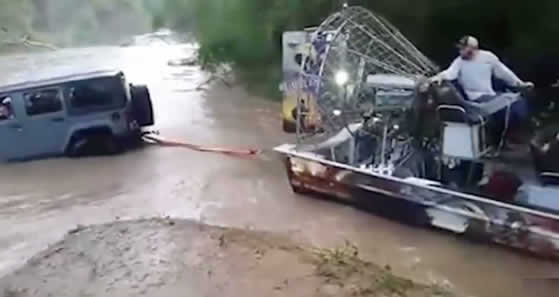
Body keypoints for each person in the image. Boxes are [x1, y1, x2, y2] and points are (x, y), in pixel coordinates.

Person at [430, 35, 534, 142]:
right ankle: (499, 140)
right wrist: (439, 77)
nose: (460, 51)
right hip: (475, 98)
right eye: (460, 48)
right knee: (506, 107)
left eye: (463, 48)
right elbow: (450, 73)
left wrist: (520, 84)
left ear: (472, 49)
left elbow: (504, 73)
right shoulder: (459, 61)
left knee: (517, 102)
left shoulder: (488, 57)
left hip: (490, 94)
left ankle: (506, 137)